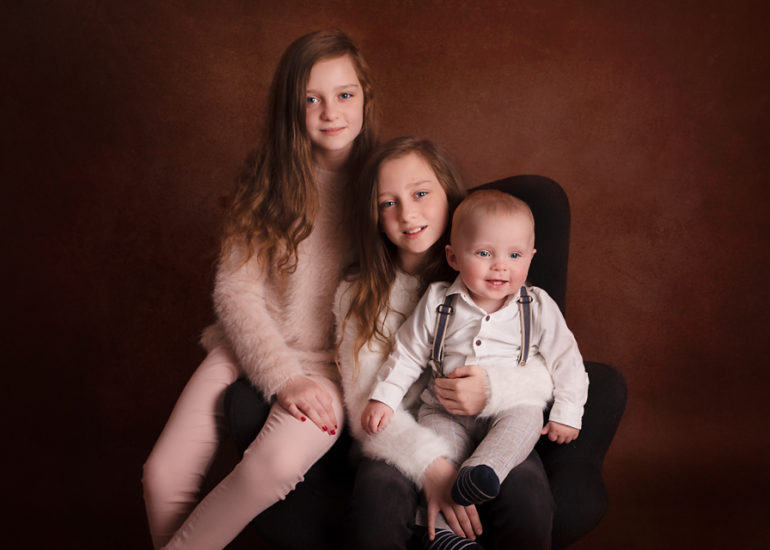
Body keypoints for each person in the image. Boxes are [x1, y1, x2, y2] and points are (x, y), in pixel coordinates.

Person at [141, 29, 378, 550]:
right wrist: (282, 377)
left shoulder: (385, 183)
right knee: (162, 474)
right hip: (249, 344)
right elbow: (235, 294)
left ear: (365, 96)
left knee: (273, 466)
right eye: (310, 99)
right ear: (290, 108)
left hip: (334, 366)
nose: (330, 112)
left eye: (344, 94)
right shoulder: (268, 182)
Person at [360, 189, 590, 548]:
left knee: (526, 419)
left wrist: (568, 412)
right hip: (444, 410)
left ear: (530, 257)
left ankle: (484, 473)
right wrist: (384, 398)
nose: (500, 266)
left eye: (514, 255)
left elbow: (567, 360)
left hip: (508, 410)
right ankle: (444, 537)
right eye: (484, 253)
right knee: (437, 453)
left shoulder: (537, 306)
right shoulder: (438, 302)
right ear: (453, 257)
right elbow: (407, 353)